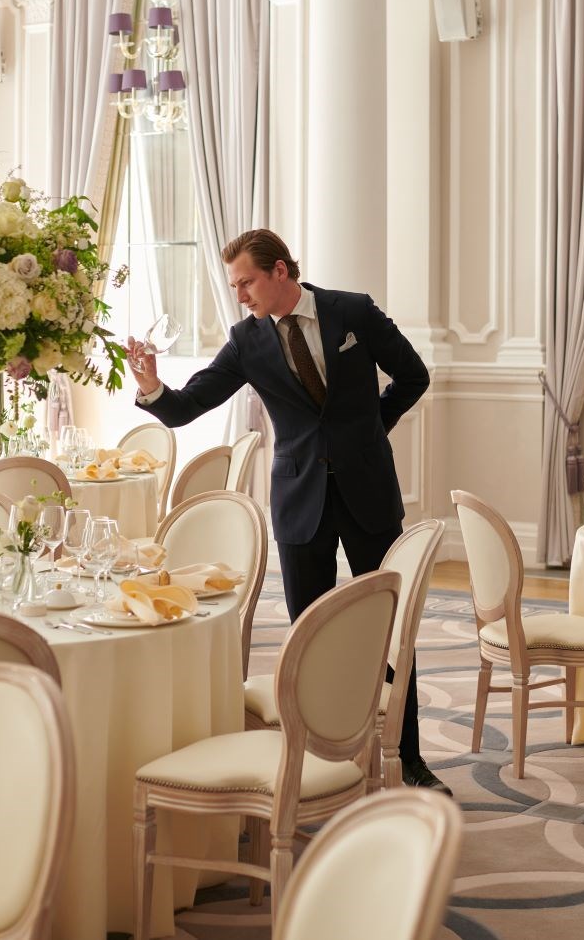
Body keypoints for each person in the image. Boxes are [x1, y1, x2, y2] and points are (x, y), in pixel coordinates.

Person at [125, 229, 449, 794]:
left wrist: (372, 430)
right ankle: (320, 761)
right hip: (300, 502)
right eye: (233, 286)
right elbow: (187, 406)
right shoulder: (246, 341)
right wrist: (152, 386)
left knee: (391, 629)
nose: (240, 295)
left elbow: (414, 375)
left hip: (368, 492)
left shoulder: (353, 312)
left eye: (247, 282)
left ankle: (410, 758)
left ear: (280, 271)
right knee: (310, 635)